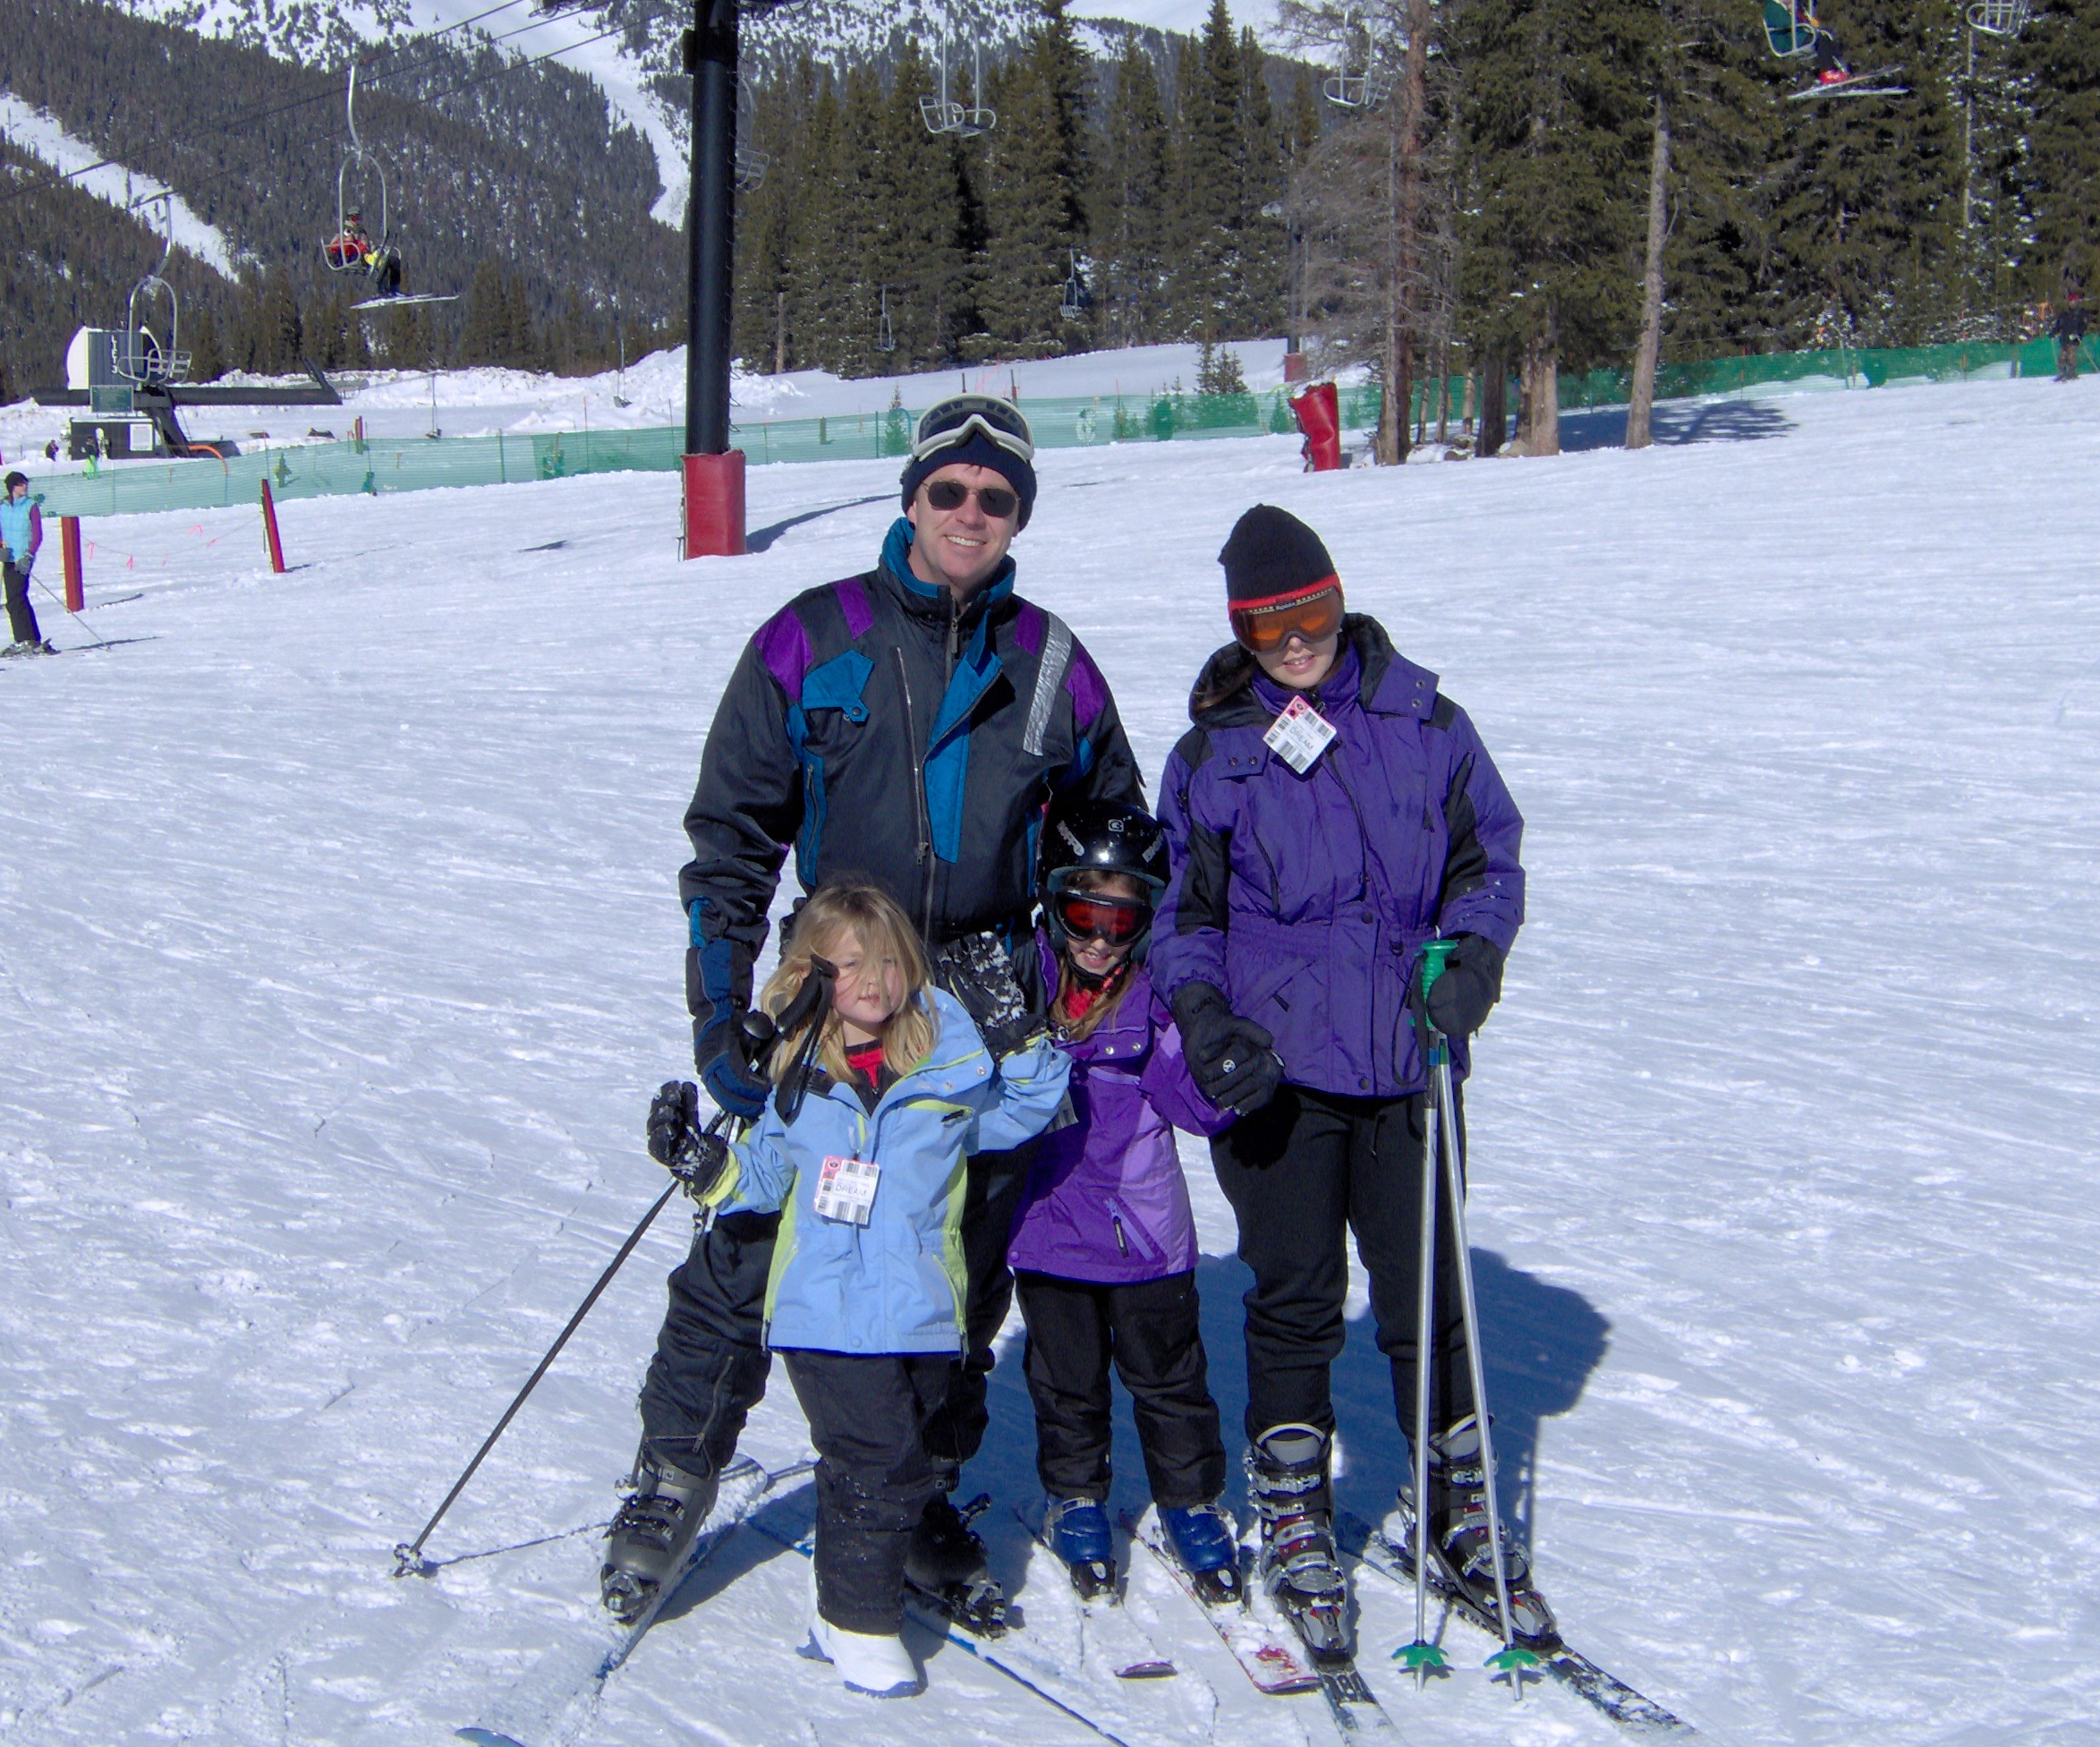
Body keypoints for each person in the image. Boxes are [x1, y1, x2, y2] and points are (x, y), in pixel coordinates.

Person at [603, 392, 1144, 1628]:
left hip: (974, 1004)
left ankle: (917, 1485)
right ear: (912, 497)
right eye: (949, 490)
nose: (969, 513)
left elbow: (1111, 840)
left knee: (951, 1262)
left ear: (1018, 518)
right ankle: (674, 1470)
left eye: (995, 498)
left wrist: (1070, 969)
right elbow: (730, 843)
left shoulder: (1052, 664)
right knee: (752, 1243)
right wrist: (722, 1014)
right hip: (836, 989)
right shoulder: (813, 637)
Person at [1148, 504, 1540, 1657]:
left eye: (1310, 614)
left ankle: (1456, 1497)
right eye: (1266, 628)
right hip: (1276, 1070)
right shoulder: (1214, 754)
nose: (1294, 643)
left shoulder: (1426, 721)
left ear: (1338, 599)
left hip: (1409, 1053)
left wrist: (1473, 957)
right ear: (1240, 632)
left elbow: (1488, 856)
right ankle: (1293, 1504)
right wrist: (1203, 1014)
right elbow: (1183, 916)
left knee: (1428, 1291)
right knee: (1296, 1292)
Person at [644, 881, 1070, 1697]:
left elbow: (1029, 1105)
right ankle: (857, 1622)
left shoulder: (947, 1074)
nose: (871, 981)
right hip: (825, 1313)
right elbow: (761, 1177)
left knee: (873, 1462)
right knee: (884, 1464)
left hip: (921, 1316)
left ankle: (832, 1613)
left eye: (886, 962)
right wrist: (704, 1164)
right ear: (810, 975)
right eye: (846, 965)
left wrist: (1016, 1033)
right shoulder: (799, 1079)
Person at [1008, 797, 1241, 1604]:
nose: (1100, 940)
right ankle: (1076, 1494)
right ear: (1054, 904)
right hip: (1047, 1233)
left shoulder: (1151, 999)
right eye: (1084, 915)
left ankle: (1190, 1500)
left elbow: (1197, 1108)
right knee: (1065, 1380)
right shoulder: (1026, 984)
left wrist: (1227, 1065)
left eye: (1121, 920)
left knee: (1169, 1379)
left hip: (1143, 1240)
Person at [0, 473, 54, 656]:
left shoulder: (30, 506)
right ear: (12, 487)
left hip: (22, 558)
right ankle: (31, 638)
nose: (24, 487)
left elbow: (37, 534)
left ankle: (23, 639)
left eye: (25, 483)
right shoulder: (3, 506)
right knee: (14, 600)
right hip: (8, 557)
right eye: (20, 484)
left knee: (16, 598)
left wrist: (29, 554)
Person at [2052, 290, 2091, 382]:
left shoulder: (2080, 313)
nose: (2072, 303)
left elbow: (2083, 325)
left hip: (2074, 339)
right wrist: (2053, 333)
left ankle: (2072, 372)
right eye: (2071, 302)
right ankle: (2063, 373)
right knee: (2062, 357)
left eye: (2074, 302)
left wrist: (2078, 333)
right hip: (2064, 339)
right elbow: (2059, 325)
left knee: (2071, 356)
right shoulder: (2065, 313)